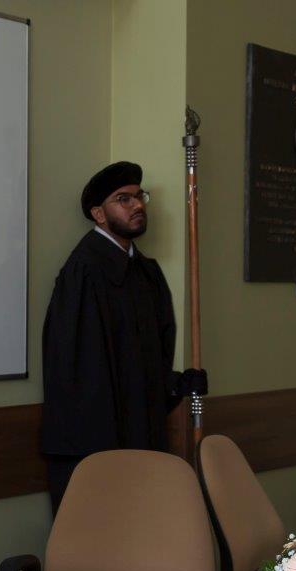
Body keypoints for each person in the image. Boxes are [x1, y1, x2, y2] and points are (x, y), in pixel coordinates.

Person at [41, 161, 207, 513]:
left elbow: (149, 362)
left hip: (142, 442)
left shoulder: (147, 274)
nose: (137, 205)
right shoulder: (84, 272)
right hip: (96, 451)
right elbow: (79, 375)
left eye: (138, 196)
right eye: (123, 199)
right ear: (99, 214)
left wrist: (176, 385)